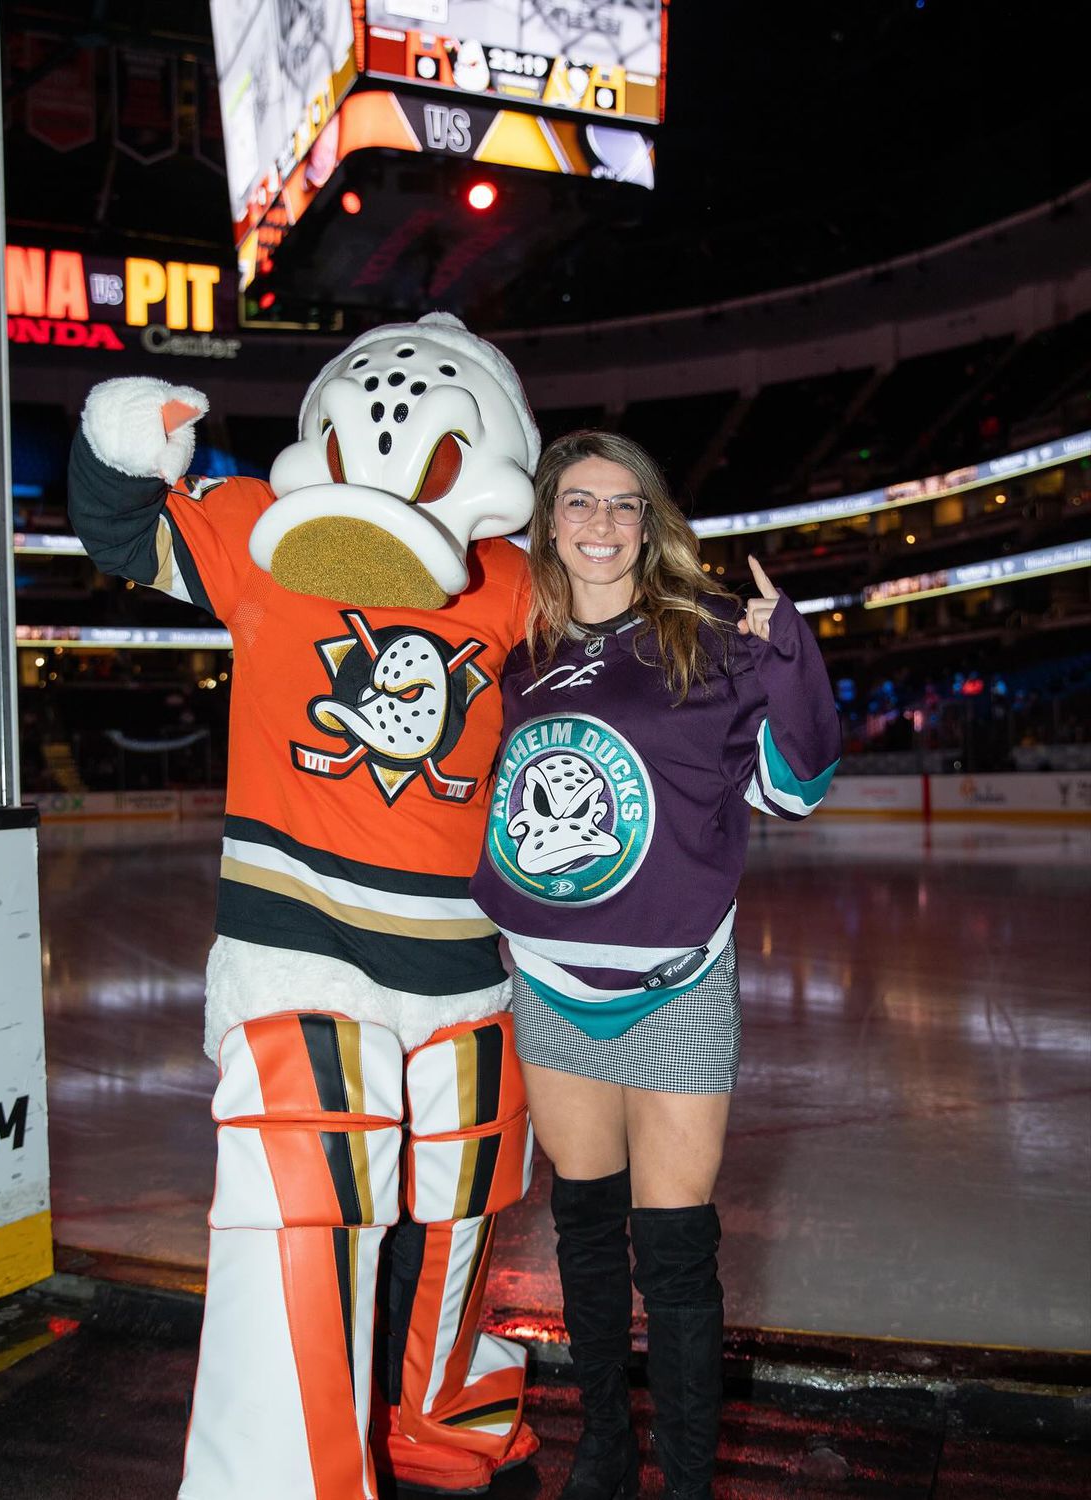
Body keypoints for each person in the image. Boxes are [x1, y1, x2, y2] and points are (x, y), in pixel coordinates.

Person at [67, 314, 543, 1500]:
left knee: (465, 1196)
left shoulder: (516, 582)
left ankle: (443, 1416)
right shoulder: (256, 536)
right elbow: (119, 530)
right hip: (297, 957)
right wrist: (124, 445)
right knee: (308, 1205)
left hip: (463, 965)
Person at [471, 430, 841, 1500]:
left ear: (651, 522)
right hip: (548, 979)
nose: (600, 523)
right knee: (585, 1229)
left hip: (677, 985)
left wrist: (791, 656)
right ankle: (602, 1446)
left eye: (623, 504)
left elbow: (800, 783)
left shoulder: (711, 637)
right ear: (549, 523)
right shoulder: (520, 654)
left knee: (675, 1252)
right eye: (578, 502)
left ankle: (685, 1478)